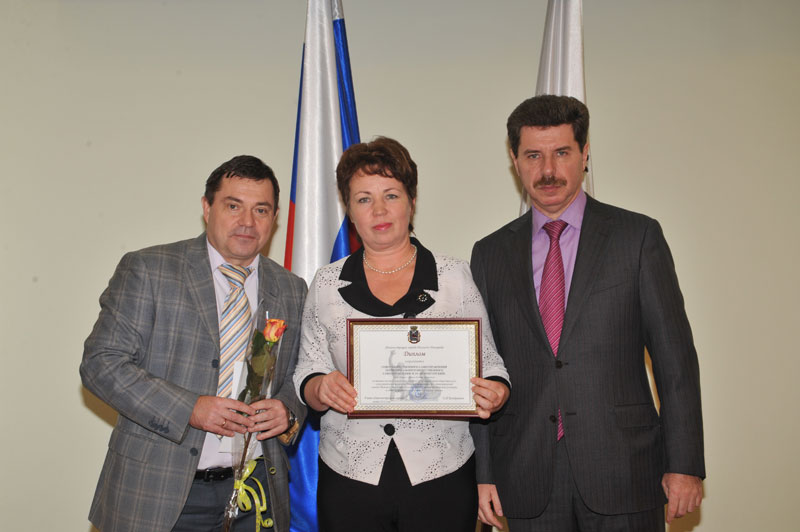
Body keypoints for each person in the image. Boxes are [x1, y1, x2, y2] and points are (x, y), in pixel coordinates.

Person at [470, 95, 705, 532]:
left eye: (562, 153)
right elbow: (481, 368)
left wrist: (685, 464)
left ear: (585, 153)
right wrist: (483, 473)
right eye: (533, 156)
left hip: (624, 468)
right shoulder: (489, 254)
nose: (548, 171)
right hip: (526, 473)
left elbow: (675, 361)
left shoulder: (637, 237)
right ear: (514, 160)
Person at [292, 137, 510, 532]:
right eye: (364, 199)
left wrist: (496, 389)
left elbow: (489, 361)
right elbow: (307, 369)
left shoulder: (453, 276)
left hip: (442, 472)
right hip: (349, 475)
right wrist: (320, 387)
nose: (379, 210)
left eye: (390, 195)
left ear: (411, 200)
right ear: (349, 209)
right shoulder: (326, 283)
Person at [80, 155, 307, 532]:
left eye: (261, 210)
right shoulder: (150, 269)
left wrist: (287, 410)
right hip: (159, 493)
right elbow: (101, 364)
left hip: (256, 491)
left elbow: (299, 373)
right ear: (207, 207)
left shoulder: (292, 289)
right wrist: (190, 408)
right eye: (233, 206)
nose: (247, 222)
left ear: (275, 217)